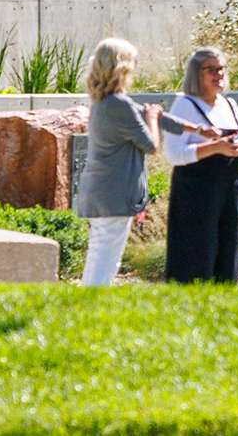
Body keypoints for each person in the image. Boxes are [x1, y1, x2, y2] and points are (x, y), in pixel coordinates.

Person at [162, 46, 238, 284]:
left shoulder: (230, 105)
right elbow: (173, 154)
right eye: (211, 70)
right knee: (195, 253)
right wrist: (215, 148)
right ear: (196, 74)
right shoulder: (185, 105)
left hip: (229, 187)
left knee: (227, 247)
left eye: (221, 68)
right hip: (195, 191)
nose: (219, 75)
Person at [74, 37, 159, 287]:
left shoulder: (101, 102)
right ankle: (95, 309)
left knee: (98, 254)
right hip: (115, 194)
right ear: (122, 67)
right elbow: (151, 145)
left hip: (98, 191)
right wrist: (153, 117)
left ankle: (83, 307)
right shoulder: (119, 104)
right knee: (108, 259)